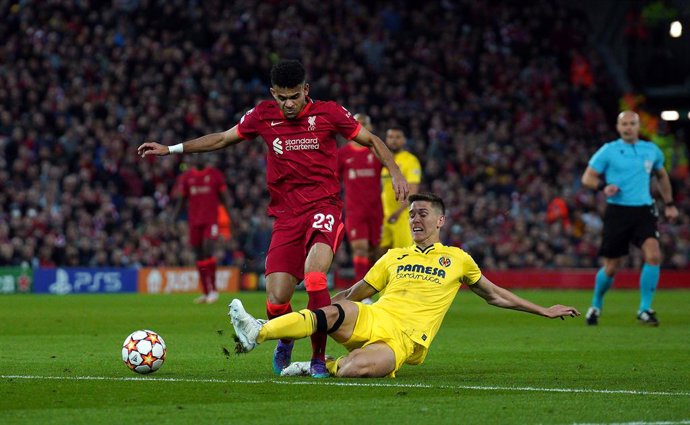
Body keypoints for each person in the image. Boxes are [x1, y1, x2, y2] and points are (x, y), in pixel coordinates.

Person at [138, 59, 409, 378]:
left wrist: (394, 171)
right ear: (272, 94)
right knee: (276, 299)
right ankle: (286, 338)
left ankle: (318, 358)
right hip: (286, 217)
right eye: (282, 97)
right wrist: (171, 149)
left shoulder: (329, 113)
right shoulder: (262, 115)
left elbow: (372, 140)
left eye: (294, 96)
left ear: (306, 90)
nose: (288, 104)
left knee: (315, 277)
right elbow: (223, 139)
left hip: (324, 207)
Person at [229, 193, 580, 378]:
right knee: (333, 311)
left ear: (440, 220)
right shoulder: (393, 256)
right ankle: (258, 331)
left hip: (405, 339)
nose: (415, 219)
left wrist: (542, 310)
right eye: (412, 214)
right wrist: (323, 312)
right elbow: (355, 293)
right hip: (374, 317)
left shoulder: (458, 259)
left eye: (422, 213)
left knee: (357, 369)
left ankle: (318, 366)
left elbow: (495, 295)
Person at [581, 110, 679, 326]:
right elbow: (587, 177)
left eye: (632, 124)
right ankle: (596, 304)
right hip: (618, 211)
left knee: (653, 256)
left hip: (644, 210)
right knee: (612, 267)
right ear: (618, 127)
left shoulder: (651, 150)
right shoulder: (609, 151)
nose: (628, 128)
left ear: (638, 126)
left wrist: (670, 204)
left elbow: (662, 176)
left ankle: (645, 309)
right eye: (624, 124)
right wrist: (603, 186)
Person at [170, 156, 233, 304]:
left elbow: (225, 198)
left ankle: (214, 290)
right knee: (198, 255)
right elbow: (181, 201)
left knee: (207, 249)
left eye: (202, 153)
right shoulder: (187, 178)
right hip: (194, 222)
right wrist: (173, 219)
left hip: (211, 221)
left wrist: (231, 218)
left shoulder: (214, 174)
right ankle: (206, 292)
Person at [337, 113, 383, 293]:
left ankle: (372, 288)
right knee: (360, 249)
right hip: (355, 210)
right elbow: (334, 179)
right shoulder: (343, 154)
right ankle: (361, 292)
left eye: (365, 123)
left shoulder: (377, 151)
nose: (361, 126)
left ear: (370, 128)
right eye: (358, 123)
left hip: (377, 209)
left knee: (376, 252)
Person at [378, 127, 421, 256]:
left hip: (402, 216)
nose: (394, 141)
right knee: (381, 256)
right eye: (390, 137)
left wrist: (397, 213)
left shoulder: (410, 160)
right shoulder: (385, 161)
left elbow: (412, 191)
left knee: (403, 256)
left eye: (397, 137)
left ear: (404, 140)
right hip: (386, 216)